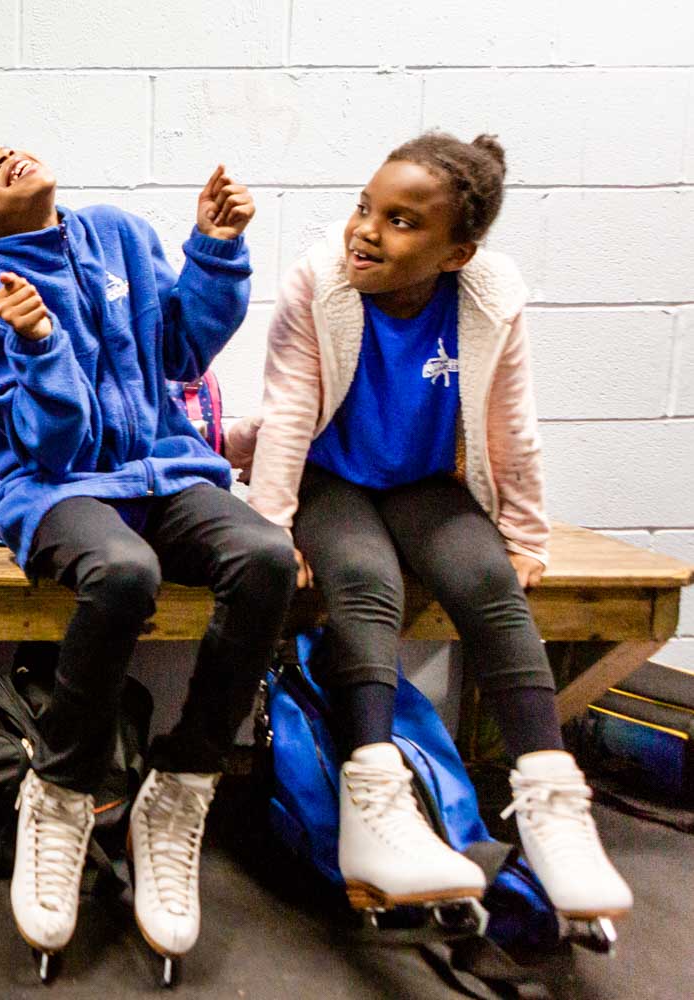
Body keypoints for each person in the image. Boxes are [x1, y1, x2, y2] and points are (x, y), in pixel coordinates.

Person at [0, 146, 295, 970]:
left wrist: (214, 250)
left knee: (266, 557)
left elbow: (182, 353)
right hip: (54, 488)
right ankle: (62, 791)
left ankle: (180, 786)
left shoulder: (118, 233)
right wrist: (40, 342)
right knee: (124, 570)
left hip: (163, 470)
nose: (1, 156)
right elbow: (50, 445)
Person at [226, 132, 632, 923]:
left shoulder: (487, 296)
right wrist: (273, 529)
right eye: (365, 208)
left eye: (403, 222)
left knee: (488, 582)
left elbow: (512, 424)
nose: (367, 231)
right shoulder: (320, 283)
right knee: (364, 580)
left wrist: (526, 534)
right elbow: (288, 415)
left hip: (423, 480)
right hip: (330, 475)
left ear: (457, 253)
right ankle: (373, 801)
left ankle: (553, 808)